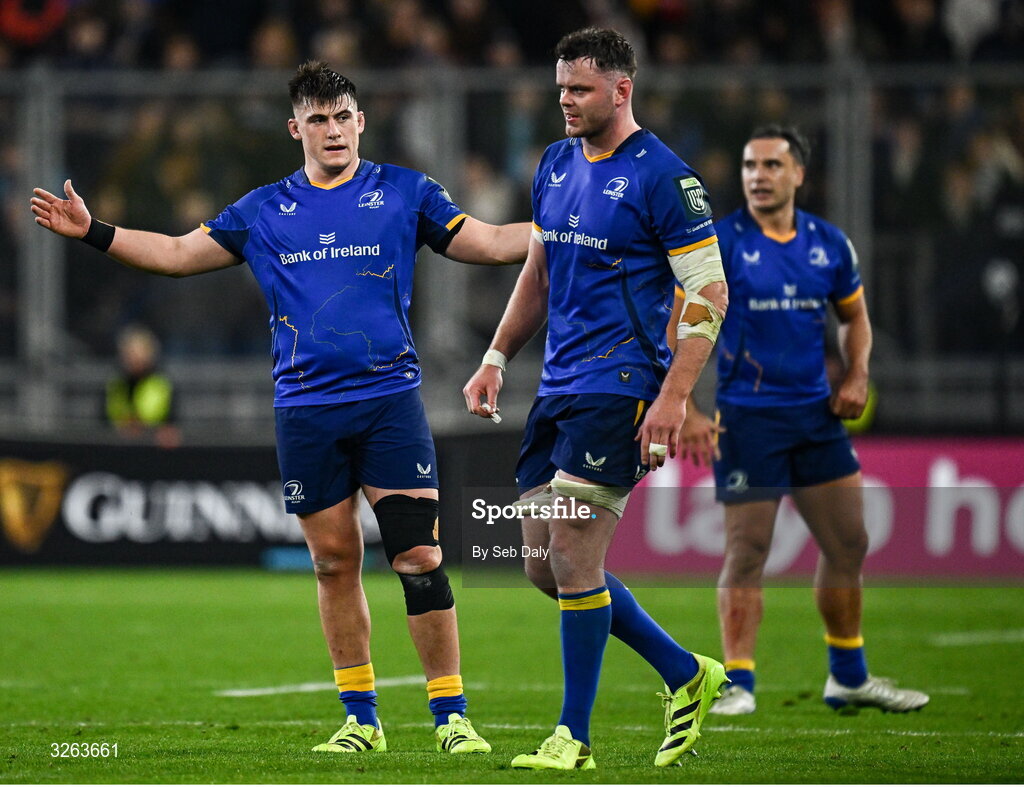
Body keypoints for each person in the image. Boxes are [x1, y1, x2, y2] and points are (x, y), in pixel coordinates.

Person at [32, 60, 530, 756]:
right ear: (296, 127)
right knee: (333, 562)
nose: (333, 130)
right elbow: (177, 253)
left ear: (361, 121)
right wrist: (95, 231)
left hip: (389, 402)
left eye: (343, 116)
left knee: (419, 554)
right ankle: (362, 718)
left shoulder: (404, 192)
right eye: (318, 119)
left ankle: (452, 716)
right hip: (306, 411)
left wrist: (564, 230)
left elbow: (487, 240)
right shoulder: (264, 210)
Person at [462, 28, 730, 770]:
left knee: (576, 557)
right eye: (560, 89)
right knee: (541, 566)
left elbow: (710, 293)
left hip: (621, 387)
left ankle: (571, 737)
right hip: (558, 387)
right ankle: (687, 672)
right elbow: (539, 275)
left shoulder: (665, 179)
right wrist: (495, 356)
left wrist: (676, 397)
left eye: (579, 90)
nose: (565, 102)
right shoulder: (554, 162)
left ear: (622, 88)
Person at [671, 124, 929, 716]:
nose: (757, 176)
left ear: (798, 175)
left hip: (815, 415)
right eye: (749, 166)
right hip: (748, 418)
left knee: (850, 541)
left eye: (770, 165)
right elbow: (678, 322)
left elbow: (854, 319)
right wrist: (686, 408)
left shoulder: (829, 245)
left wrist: (858, 372)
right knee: (749, 549)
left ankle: (848, 675)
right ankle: (737, 682)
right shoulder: (721, 243)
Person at [105, 323, 181, 449]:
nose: (134, 358)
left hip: (153, 450)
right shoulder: (115, 384)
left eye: (138, 352)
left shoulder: (162, 383)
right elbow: (104, 418)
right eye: (130, 353)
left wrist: (147, 428)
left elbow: (171, 421)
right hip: (119, 447)